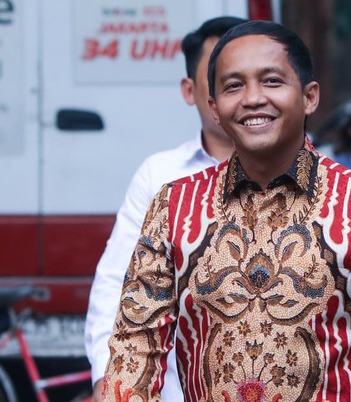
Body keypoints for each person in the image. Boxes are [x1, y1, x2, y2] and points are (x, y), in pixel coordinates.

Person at [102, 20, 351, 401]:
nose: (253, 98)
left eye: (272, 81)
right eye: (233, 86)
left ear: (309, 96)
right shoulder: (175, 206)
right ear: (214, 108)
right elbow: (134, 349)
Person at [83, 16, 247, 402]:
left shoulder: (325, 182)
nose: (245, 95)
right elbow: (118, 285)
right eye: (225, 79)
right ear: (192, 91)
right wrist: (109, 380)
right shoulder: (160, 176)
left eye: (260, 79)